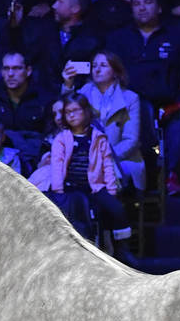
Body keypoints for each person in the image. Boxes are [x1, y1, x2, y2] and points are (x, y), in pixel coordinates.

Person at [108, 0, 180, 196]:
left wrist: (174, 88)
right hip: (129, 101)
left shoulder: (177, 36)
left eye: (148, 2)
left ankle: (170, 173)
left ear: (159, 8)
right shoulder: (118, 39)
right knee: (139, 108)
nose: (142, 8)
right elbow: (106, 72)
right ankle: (150, 168)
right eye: (137, 4)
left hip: (170, 99)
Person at [48, 91, 136, 265]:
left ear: (86, 111)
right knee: (81, 213)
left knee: (117, 209)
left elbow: (107, 164)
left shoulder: (98, 137)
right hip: (71, 188)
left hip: (95, 187)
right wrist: (58, 190)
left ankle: (122, 249)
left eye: (76, 110)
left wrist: (110, 189)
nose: (71, 115)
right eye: (68, 112)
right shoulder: (62, 139)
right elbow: (57, 166)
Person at [65, 50, 145, 191]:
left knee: (105, 173)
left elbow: (130, 140)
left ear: (115, 71)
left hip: (122, 158)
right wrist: (67, 85)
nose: (97, 69)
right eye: (95, 65)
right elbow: (65, 116)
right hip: (86, 157)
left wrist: (105, 157)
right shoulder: (82, 93)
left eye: (103, 65)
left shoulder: (130, 98)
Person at [6, 0, 102, 90]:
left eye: (60, 2)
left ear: (75, 9)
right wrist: (15, 27)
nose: (54, 6)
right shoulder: (45, 32)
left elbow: (95, 72)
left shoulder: (91, 39)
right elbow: (24, 55)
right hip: (45, 96)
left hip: (79, 98)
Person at [0, 50, 54, 168]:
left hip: (36, 161)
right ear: (1, 72)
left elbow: (49, 137)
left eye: (17, 68)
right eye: (6, 69)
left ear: (28, 71)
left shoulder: (44, 99)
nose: (10, 74)